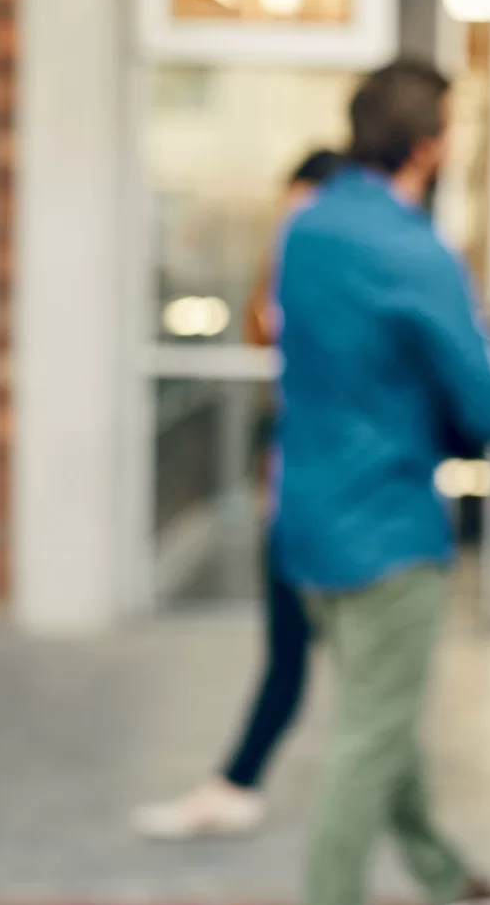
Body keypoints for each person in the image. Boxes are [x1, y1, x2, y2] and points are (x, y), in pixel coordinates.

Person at [278, 61, 490, 905]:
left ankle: (442, 878)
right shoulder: (410, 248)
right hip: (383, 519)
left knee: (374, 717)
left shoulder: (305, 226)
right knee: (369, 735)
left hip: (305, 516)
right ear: (430, 143)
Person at [133, 148, 346, 842]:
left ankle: (236, 783)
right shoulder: (283, 277)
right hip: (295, 493)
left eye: (301, 208)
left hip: (331, 502)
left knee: (347, 675)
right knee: (297, 654)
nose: (291, 225)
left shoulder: (337, 287)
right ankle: (236, 783)